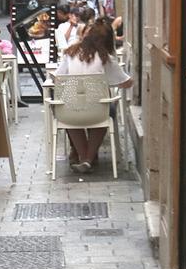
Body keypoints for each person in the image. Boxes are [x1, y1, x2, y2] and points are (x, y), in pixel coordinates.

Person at [56, 19, 132, 173]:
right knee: (107, 112)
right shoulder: (106, 59)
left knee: (68, 116)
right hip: (97, 111)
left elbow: (58, 77)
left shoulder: (70, 53)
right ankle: (88, 159)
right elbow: (125, 82)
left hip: (71, 112)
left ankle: (83, 157)